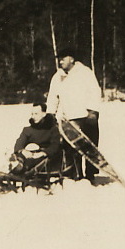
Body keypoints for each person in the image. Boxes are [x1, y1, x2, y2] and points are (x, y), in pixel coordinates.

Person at [45, 47, 102, 182]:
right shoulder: (57, 76)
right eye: (59, 59)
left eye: (63, 59)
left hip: (86, 117)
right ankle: (75, 174)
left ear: (71, 59)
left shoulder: (85, 72)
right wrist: (50, 114)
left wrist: (93, 111)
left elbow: (94, 91)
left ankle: (90, 175)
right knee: (70, 148)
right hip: (68, 119)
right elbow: (53, 96)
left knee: (89, 148)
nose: (60, 62)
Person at [10, 103, 61, 177]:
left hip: (44, 157)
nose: (33, 117)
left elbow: (55, 146)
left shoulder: (52, 129)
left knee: (34, 161)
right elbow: (19, 143)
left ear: (43, 114)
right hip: (30, 154)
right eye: (32, 114)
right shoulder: (28, 130)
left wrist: (43, 153)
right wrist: (23, 151)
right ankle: (16, 165)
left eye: (36, 114)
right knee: (18, 156)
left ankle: (22, 169)